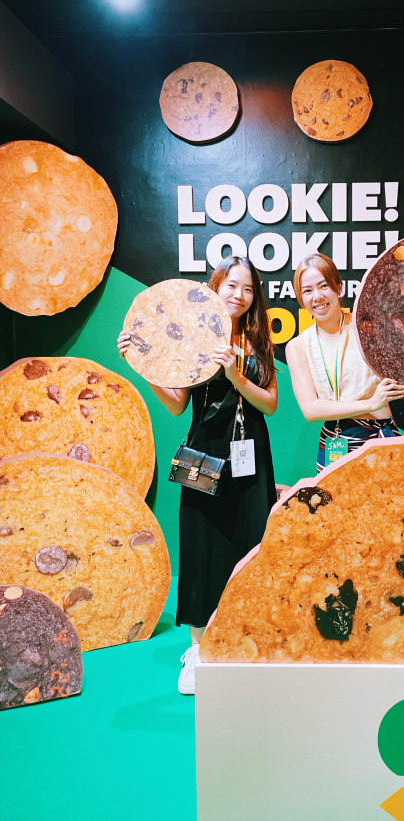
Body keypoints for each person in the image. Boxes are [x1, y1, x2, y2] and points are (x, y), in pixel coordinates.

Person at [118, 255, 278, 695]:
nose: (239, 296)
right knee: (201, 545)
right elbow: (176, 405)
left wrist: (236, 374)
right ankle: (198, 650)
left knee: (252, 543)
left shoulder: (258, 339)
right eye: (232, 286)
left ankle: (246, 641)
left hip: (251, 455)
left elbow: (269, 404)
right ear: (215, 287)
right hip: (204, 452)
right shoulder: (193, 334)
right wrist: (139, 362)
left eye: (248, 289)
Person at [285, 253, 404, 471]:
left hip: (380, 436)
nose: (317, 297)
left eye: (324, 286)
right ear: (301, 298)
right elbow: (310, 410)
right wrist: (370, 403)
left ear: (338, 287)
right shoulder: (298, 346)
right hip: (335, 441)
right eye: (307, 290)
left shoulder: (368, 328)